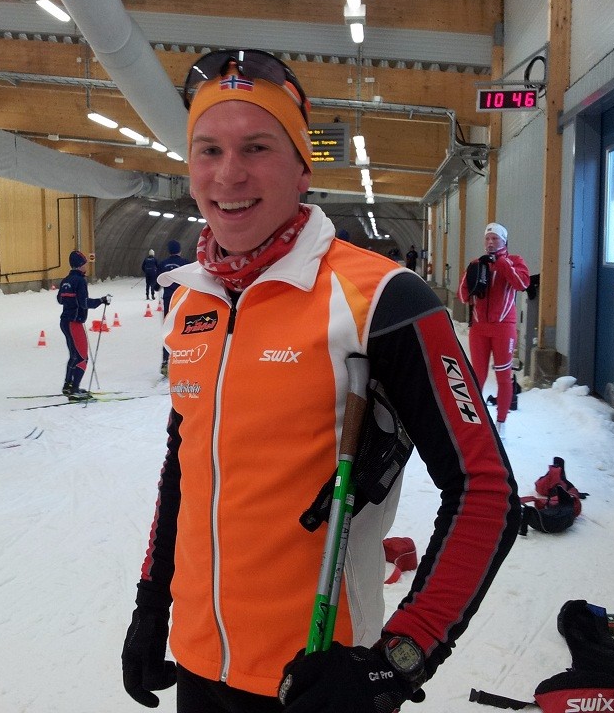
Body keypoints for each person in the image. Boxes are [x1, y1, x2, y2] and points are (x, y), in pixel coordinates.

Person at [122, 48, 520, 713]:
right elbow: (182, 468)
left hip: (318, 682)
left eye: (257, 147)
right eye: (208, 150)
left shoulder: (383, 299)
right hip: (198, 665)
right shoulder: (192, 300)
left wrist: (397, 661)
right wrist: (150, 605)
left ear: (303, 164)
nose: (229, 173)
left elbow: (486, 489)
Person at [457, 223, 530, 436]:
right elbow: (462, 295)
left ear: (504, 241)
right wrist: (472, 280)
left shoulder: (514, 261)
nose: (490, 242)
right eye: (487, 238)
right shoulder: (476, 264)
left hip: (504, 327)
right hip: (479, 328)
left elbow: (522, 284)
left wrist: (502, 263)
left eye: (495, 238)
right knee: (476, 376)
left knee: (503, 376)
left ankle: (501, 422)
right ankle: (475, 422)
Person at [57, 250, 110, 400]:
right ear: (80, 265)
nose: (86, 266)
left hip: (65, 321)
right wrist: (101, 300)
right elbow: (84, 303)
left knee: (74, 355)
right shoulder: (80, 281)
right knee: (82, 357)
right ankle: (75, 390)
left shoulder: (66, 280)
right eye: (84, 263)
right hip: (74, 323)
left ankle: (68, 385)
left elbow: (60, 300)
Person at [155, 239, 190, 375]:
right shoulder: (185, 263)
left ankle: (165, 362)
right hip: (183, 300)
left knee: (169, 330)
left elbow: (156, 285)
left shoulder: (163, 264)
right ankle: (185, 359)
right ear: (179, 250)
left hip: (168, 300)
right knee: (184, 329)